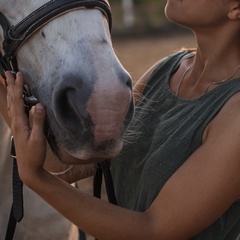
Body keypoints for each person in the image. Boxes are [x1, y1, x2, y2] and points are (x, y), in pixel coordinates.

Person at [4, 0, 240, 239]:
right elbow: (67, 165)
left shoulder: (236, 114)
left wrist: (36, 179)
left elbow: (153, 230)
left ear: (235, 8)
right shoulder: (168, 70)